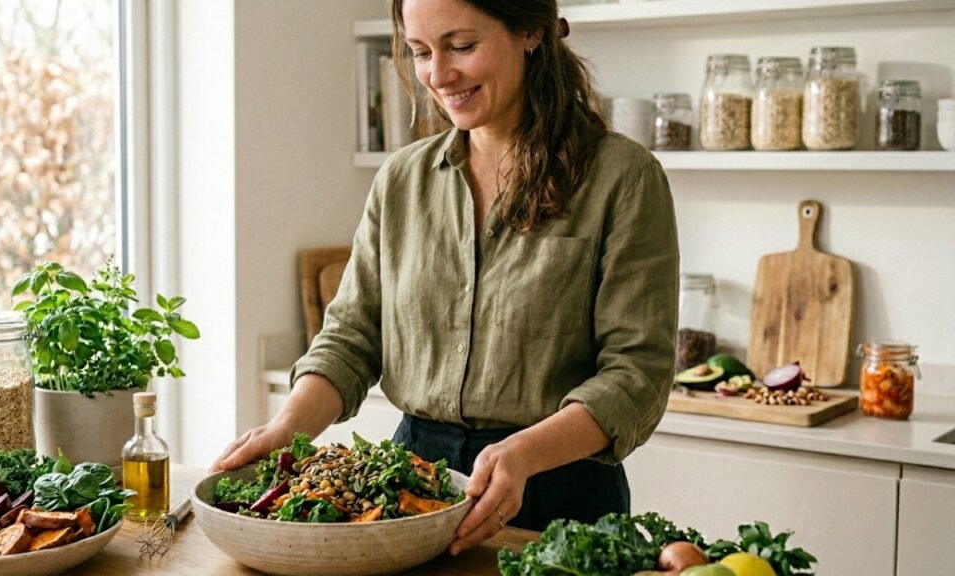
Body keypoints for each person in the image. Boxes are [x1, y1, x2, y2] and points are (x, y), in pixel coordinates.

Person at [213, 0, 679, 556]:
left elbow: (636, 372)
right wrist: (285, 429)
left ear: (530, 31)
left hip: (557, 489)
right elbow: (351, 339)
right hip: (410, 485)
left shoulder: (622, 178)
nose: (437, 74)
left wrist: (523, 453)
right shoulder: (402, 180)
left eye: (461, 46)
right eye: (420, 52)